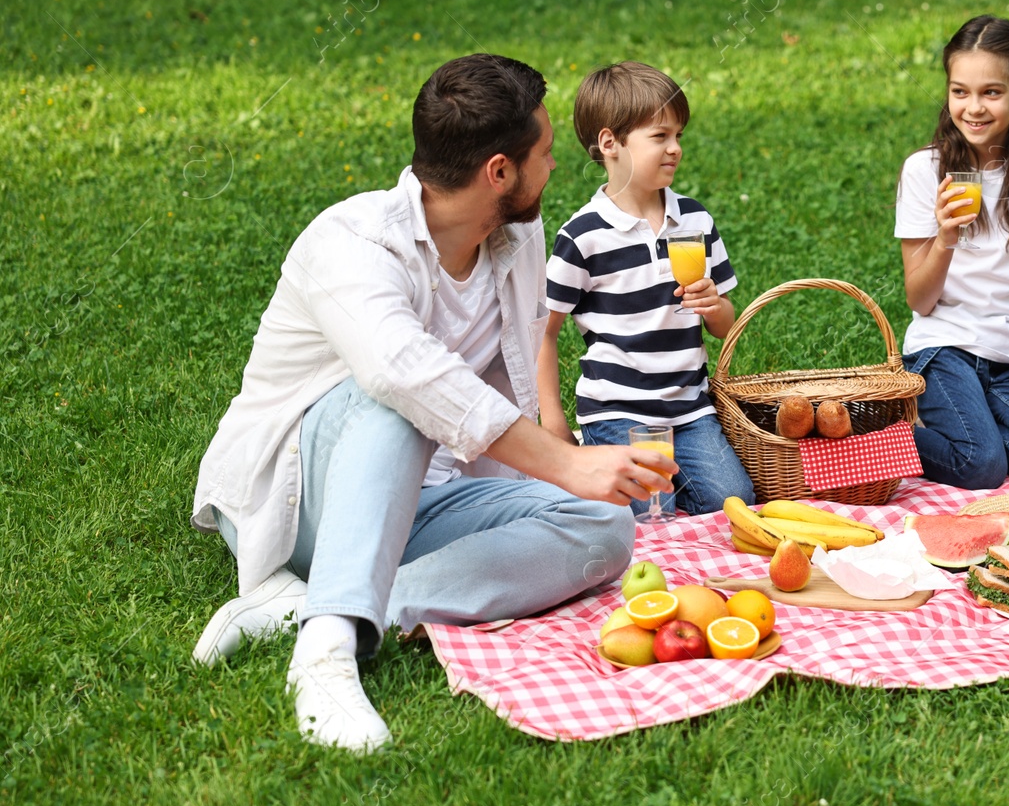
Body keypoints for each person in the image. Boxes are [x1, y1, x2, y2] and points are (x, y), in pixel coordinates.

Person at [190, 53, 675, 753]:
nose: (555, 167)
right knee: (403, 401)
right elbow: (409, 377)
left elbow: (512, 373)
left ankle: (339, 606)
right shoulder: (352, 243)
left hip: (431, 497)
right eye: (542, 153)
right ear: (498, 171)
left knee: (605, 528)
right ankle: (324, 657)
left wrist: (570, 474)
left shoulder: (519, 234)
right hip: (298, 502)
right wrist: (567, 464)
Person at [539, 62, 755, 517]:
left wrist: (715, 306)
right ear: (610, 143)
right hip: (618, 412)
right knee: (650, 515)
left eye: (678, 136)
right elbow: (544, 330)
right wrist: (553, 422)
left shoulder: (695, 221)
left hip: (690, 410)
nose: (675, 149)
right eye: (660, 137)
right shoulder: (584, 236)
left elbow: (725, 325)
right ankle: (596, 458)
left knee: (732, 503)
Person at [894, 15, 1009, 490]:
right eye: (960, 92)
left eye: (991, 93)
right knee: (981, 466)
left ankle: (978, 417)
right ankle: (885, 432)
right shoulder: (925, 171)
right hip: (942, 347)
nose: (973, 108)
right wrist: (945, 236)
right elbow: (919, 300)